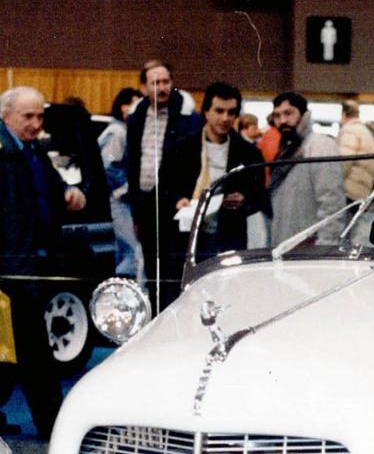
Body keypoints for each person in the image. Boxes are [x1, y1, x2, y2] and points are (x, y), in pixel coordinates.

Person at [0, 86, 88, 441]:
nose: (35, 123)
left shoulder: (32, 150)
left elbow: (48, 189)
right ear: (6, 115)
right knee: (29, 353)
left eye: (39, 116)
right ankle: (53, 426)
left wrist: (68, 193)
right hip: (6, 271)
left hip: (33, 264)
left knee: (19, 352)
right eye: (27, 116)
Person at [123, 59, 200, 306]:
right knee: (151, 266)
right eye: (156, 83)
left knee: (173, 267)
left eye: (166, 81)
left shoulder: (187, 116)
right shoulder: (136, 117)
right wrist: (135, 213)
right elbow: (132, 164)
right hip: (145, 202)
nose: (163, 87)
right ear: (145, 87)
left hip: (174, 201)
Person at [166, 81, 266, 260]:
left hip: (229, 233)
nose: (226, 118)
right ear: (206, 111)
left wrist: (244, 198)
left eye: (231, 112)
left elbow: (260, 193)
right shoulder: (180, 149)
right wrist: (177, 200)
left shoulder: (249, 152)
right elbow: (164, 187)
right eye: (219, 111)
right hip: (188, 233)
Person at [267, 90, 345, 244]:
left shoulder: (321, 146)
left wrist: (326, 245)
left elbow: (331, 202)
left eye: (288, 113)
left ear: (303, 115)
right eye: (277, 115)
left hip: (311, 248)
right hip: (286, 244)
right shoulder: (287, 150)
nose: (282, 120)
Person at [99, 86, 141, 278]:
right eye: (130, 104)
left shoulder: (126, 131)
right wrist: (126, 187)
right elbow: (108, 166)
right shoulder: (117, 131)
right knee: (131, 250)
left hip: (124, 201)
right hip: (117, 199)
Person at [336, 98, 374, 203]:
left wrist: (334, 183)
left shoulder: (350, 130)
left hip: (349, 190)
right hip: (362, 190)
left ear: (344, 114)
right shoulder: (365, 132)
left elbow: (344, 161)